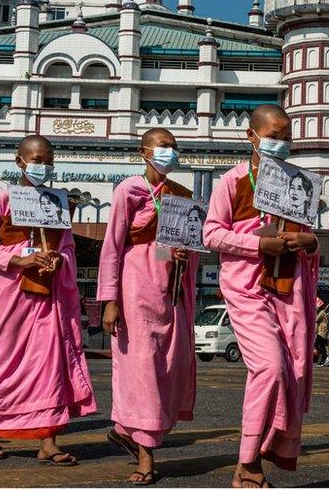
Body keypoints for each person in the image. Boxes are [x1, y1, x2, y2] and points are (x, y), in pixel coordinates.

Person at [203, 104, 320, 488]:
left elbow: (310, 237)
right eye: (273, 136)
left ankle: (253, 460)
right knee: (269, 367)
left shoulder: (298, 182)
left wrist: (309, 240)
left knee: (295, 370)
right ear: (251, 136)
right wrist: (258, 245)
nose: (280, 144)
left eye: (286, 137)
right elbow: (211, 235)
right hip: (246, 287)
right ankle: (249, 460)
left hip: (288, 288)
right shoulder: (233, 182)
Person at [0, 134, 96, 464]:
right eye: (36, 159)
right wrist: (17, 260)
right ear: (20, 161)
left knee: (49, 363)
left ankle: (48, 440)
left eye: (47, 160)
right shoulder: (1, 202)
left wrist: (59, 260)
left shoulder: (57, 203)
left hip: (48, 295)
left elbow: (68, 248)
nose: (42, 166)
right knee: (5, 360)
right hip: (10, 293)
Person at [97, 128, 198, 485]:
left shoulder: (181, 195)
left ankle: (127, 430)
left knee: (169, 367)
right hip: (134, 290)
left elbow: (191, 243)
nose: (169, 152)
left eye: (173, 146)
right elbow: (112, 248)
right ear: (144, 151)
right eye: (163, 146)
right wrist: (109, 302)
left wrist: (185, 256)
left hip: (171, 292)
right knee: (140, 372)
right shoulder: (129, 190)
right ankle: (145, 455)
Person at [315, 297, 329, 366]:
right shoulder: (324, 312)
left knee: (316, 344)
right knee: (322, 346)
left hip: (322, 331)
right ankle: (323, 360)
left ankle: (326, 356)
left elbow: (316, 320)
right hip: (324, 331)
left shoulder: (322, 312)